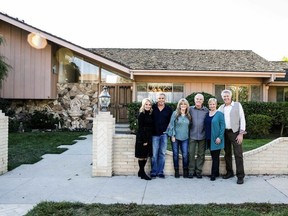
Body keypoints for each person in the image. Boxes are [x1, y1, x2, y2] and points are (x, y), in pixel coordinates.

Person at [218, 89, 246, 184]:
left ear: (231, 96)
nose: (226, 98)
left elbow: (242, 119)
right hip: (224, 133)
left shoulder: (237, 105)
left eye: (227, 96)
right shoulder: (221, 107)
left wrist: (241, 133)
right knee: (227, 153)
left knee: (238, 154)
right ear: (222, 98)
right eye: (224, 96)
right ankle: (229, 172)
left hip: (235, 132)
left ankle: (240, 176)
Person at [166, 98, 191, 178]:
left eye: (184, 104)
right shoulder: (175, 113)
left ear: (187, 106)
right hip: (175, 138)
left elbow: (190, 127)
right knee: (175, 155)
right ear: (179, 106)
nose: (183, 106)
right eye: (181, 104)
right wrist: (172, 135)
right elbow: (171, 125)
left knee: (185, 155)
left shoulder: (188, 115)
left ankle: (185, 170)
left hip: (185, 138)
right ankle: (176, 171)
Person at [151, 93, 173, 178]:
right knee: (154, 154)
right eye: (159, 98)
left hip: (164, 135)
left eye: (162, 98)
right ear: (157, 99)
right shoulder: (153, 108)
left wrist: (167, 131)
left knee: (162, 154)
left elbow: (170, 122)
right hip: (154, 134)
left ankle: (160, 171)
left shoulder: (168, 109)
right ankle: (153, 171)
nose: (161, 100)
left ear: (165, 99)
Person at [188, 93, 209, 179]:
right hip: (192, 135)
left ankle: (198, 171)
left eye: (200, 99)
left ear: (203, 101)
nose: (198, 101)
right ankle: (191, 171)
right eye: (197, 99)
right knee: (191, 154)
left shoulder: (206, 110)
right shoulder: (190, 109)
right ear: (194, 100)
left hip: (202, 135)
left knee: (201, 154)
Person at [204, 98, 225, 181]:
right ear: (208, 105)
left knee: (215, 157)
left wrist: (220, 137)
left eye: (213, 104)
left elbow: (222, 126)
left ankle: (213, 174)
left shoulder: (219, 114)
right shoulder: (207, 114)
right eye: (210, 104)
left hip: (216, 139)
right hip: (208, 138)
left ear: (216, 105)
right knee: (213, 156)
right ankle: (216, 172)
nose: (212, 106)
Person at [135, 98, 153, 180]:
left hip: (149, 136)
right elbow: (140, 128)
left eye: (149, 104)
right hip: (142, 137)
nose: (148, 106)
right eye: (146, 104)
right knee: (142, 155)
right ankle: (143, 173)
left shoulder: (150, 114)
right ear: (143, 105)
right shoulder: (141, 115)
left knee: (145, 155)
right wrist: (144, 140)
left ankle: (140, 172)